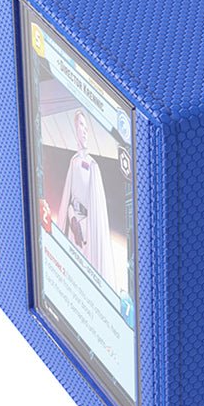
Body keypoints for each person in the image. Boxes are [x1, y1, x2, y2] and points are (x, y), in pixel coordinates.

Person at [58, 110, 117, 289]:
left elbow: (96, 212)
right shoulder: (74, 162)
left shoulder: (92, 167)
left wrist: (83, 229)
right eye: (81, 125)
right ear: (75, 128)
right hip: (74, 228)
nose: (84, 131)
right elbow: (68, 198)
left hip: (87, 233)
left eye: (86, 126)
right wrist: (72, 219)